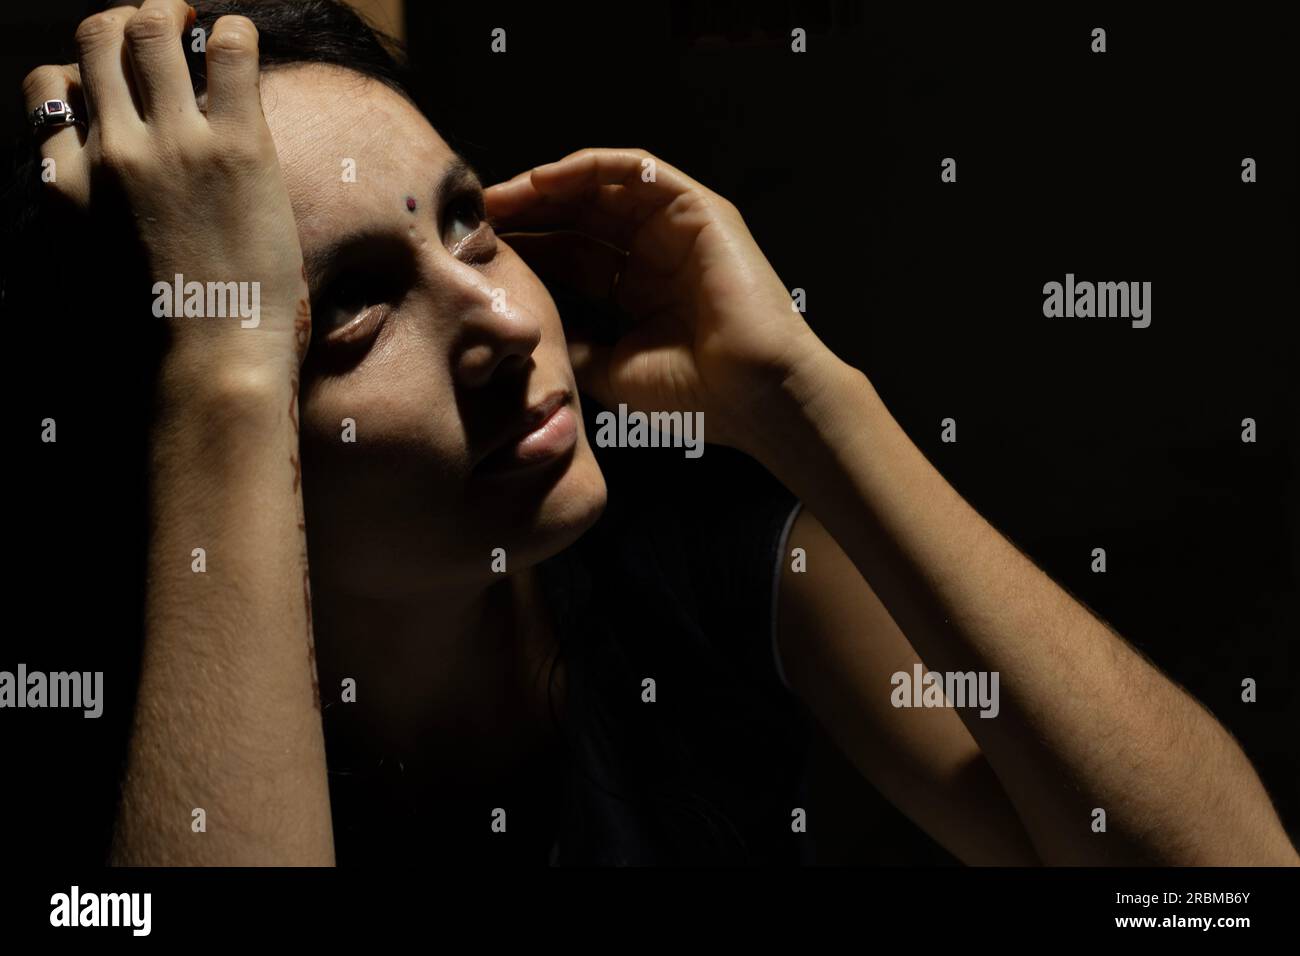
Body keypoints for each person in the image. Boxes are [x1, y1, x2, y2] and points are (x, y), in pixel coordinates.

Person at [15, 0, 1297, 866]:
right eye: (347, 306)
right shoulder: (105, 722)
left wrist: (800, 400)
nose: (507, 317)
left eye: (468, 222)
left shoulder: (690, 550)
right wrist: (231, 375)